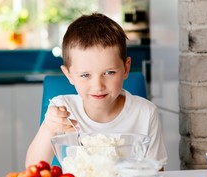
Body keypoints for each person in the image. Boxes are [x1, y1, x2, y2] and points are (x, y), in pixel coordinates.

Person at [26, 13, 167, 168]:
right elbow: (32, 168)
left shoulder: (146, 114)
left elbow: (156, 172)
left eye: (109, 72)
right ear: (69, 75)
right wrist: (49, 128)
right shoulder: (63, 109)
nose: (98, 86)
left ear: (126, 68)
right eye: (85, 75)